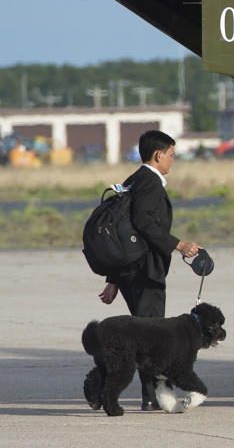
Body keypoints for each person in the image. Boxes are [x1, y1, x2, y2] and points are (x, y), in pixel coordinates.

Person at [96, 129, 203, 411]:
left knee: (142, 335)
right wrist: (179, 244)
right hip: (146, 271)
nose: (173, 160)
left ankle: (144, 395)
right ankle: (149, 396)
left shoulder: (133, 180)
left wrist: (114, 279)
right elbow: (144, 224)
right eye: (171, 155)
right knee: (151, 338)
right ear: (158, 155)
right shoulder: (150, 183)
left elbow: (124, 230)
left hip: (132, 270)